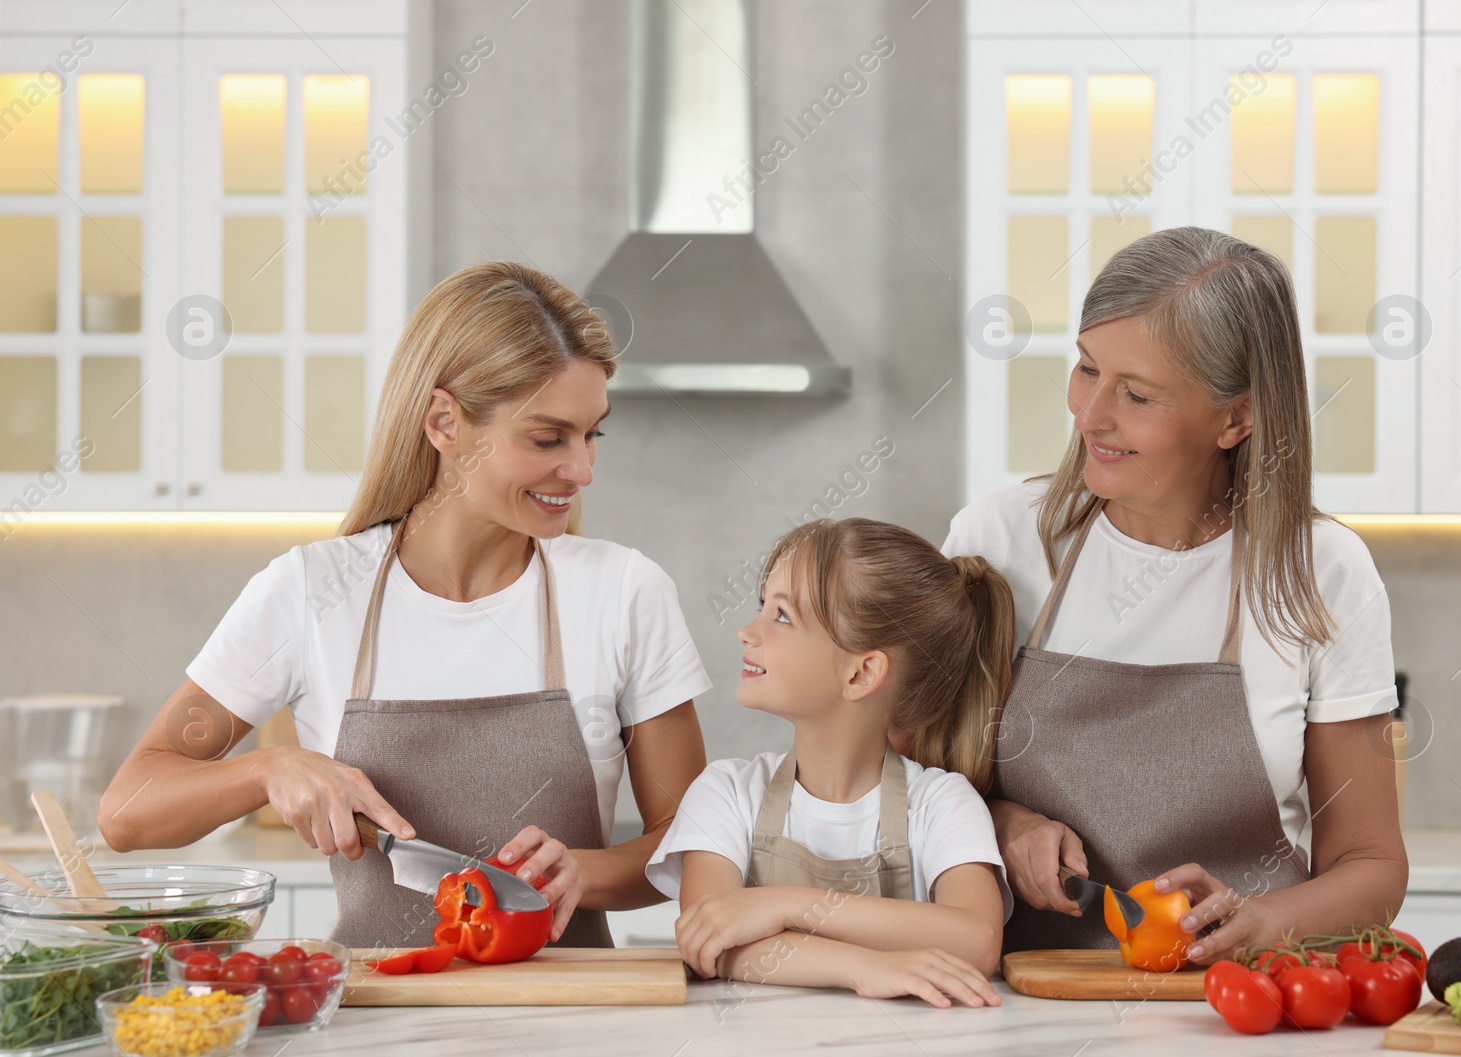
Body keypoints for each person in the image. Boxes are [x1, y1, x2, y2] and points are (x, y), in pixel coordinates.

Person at [100, 262, 711, 949]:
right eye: (547, 438)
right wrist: (266, 769)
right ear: (444, 421)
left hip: (567, 1018)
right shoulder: (311, 590)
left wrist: (583, 873)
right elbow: (127, 810)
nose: (582, 469)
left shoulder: (625, 592)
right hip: (376, 1023)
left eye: (592, 433)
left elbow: (693, 850)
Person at [944, 227, 1407, 960]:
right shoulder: (998, 539)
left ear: (1236, 417)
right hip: (1016, 999)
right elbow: (900, 783)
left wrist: (1265, 921)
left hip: (1233, 1005)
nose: (1091, 413)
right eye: (1086, 368)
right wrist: (1005, 823)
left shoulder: (1322, 571)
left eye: (1136, 393)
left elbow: (1372, 866)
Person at [645, 518, 1014, 1008]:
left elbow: (976, 940)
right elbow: (710, 943)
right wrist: (864, 966)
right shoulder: (726, 792)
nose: (745, 632)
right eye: (763, 607)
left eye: (781, 616)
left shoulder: (941, 803)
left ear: (861, 673)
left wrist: (781, 906)